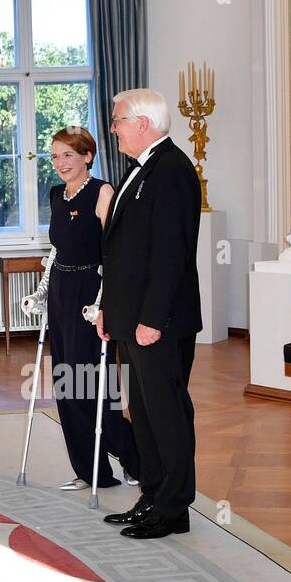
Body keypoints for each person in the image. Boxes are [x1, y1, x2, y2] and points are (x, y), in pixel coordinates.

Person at [97, 89, 202, 540]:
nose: (114, 127)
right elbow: (122, 254)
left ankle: (174, 508)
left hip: (159, 322)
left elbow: (171, 255)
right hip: (132, 318)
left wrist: (152, 319)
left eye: (119, 120)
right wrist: (109, 310)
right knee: (142, 411)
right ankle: (153, 496)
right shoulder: (138, 171)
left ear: (142, 123)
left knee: (167, 413)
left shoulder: (173, 170)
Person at [22, 126, 140, 492]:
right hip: (60, 290)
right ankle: (91, 472)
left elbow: (115, 251)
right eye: (55, 156)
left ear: (87, 156)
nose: (60, 163)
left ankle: (133, 457)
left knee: (91, 383)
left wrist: (104, 302)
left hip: (91, 293)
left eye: (68, 155)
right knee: (65, 383)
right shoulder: (57, 195)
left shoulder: (103, 192)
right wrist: (41, 293)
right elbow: (57, 249)